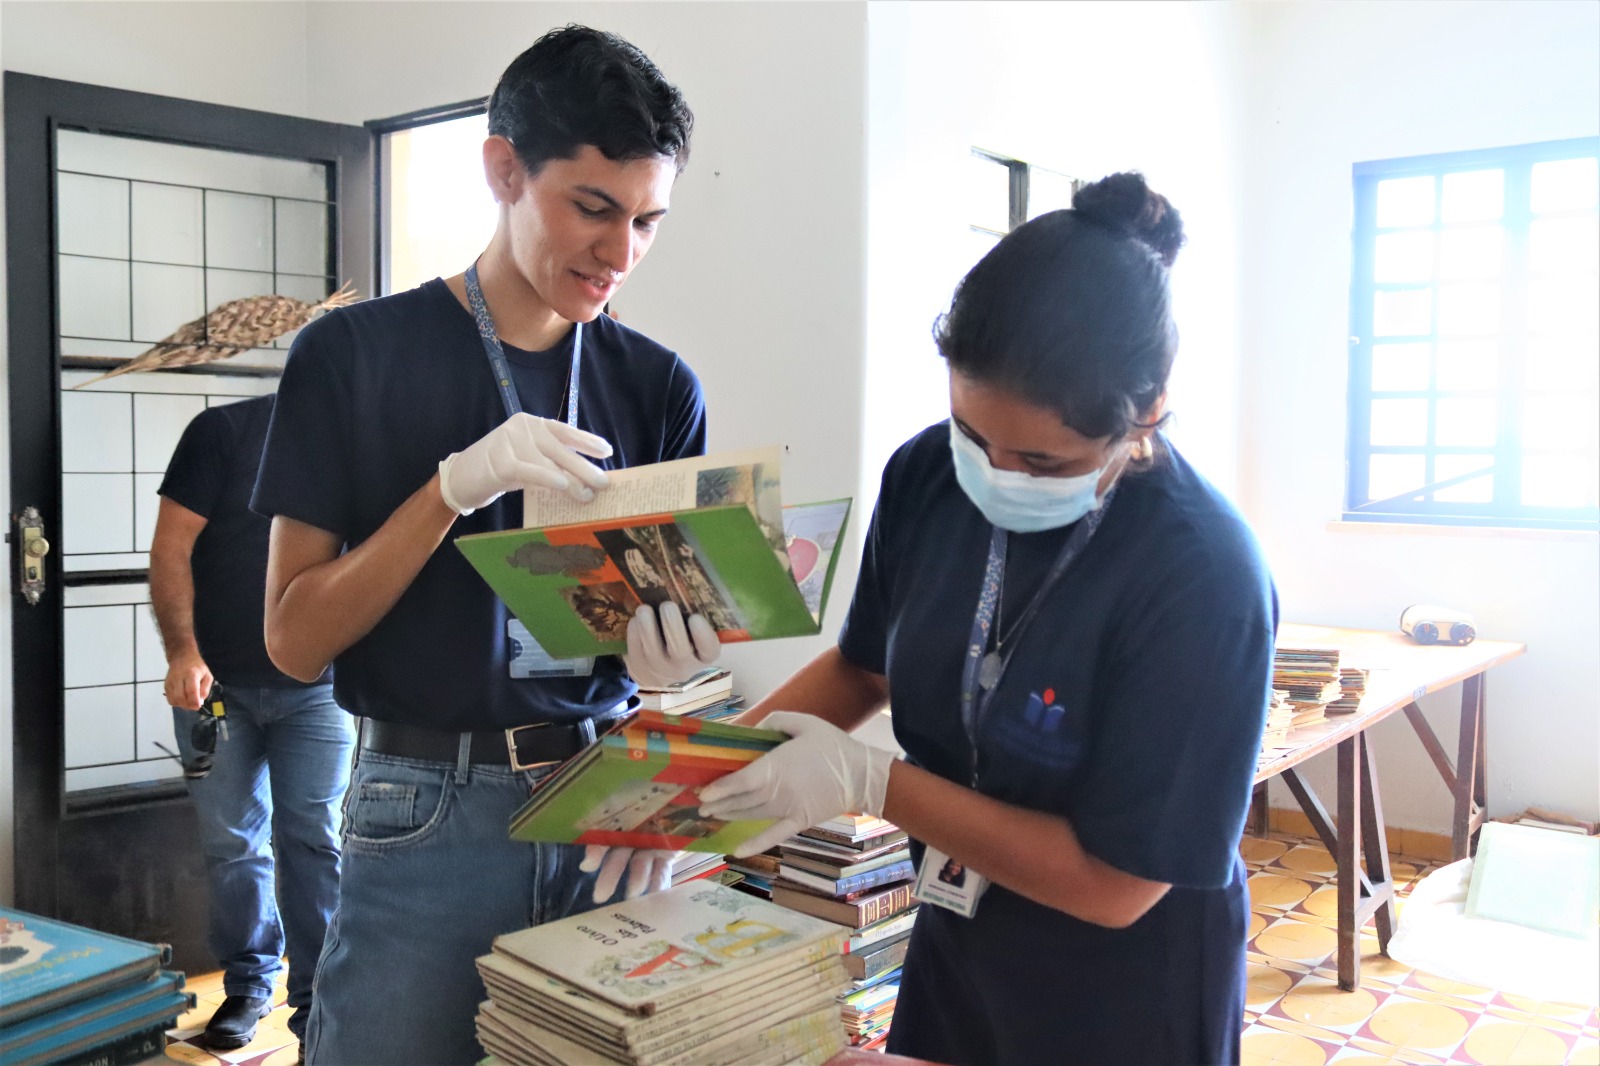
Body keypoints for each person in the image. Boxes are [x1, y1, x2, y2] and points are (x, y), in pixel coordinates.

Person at [700, 173, 1278, 1066]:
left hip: (1124, 980)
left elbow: (1119, 885)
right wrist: (702, 781)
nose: (996, 473)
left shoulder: (1201, 575)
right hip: (962, 929)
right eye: (974, 434)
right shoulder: (929, 476)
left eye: (1043, 460)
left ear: (1147, 412)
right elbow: (864, 669)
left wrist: (871, 783)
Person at [250, 26, 717, 1066]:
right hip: (426, 808)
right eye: (592, 208)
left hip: (608, 807)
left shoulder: (658, 386)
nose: (620, 252)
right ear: (503, 168)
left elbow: (663, 651)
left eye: (647, 220)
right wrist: (453, 488)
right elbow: (291, 641)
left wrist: (666, 690)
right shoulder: (353, 355)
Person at [149, 394, 355, 1053]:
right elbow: (171, 546)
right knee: (233, 844)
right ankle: (247, 987)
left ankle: (317, 1003)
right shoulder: (224, 431)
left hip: (319, 687)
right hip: (217, 687)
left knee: (315, 840)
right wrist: (183, 651)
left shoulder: (361, 440)